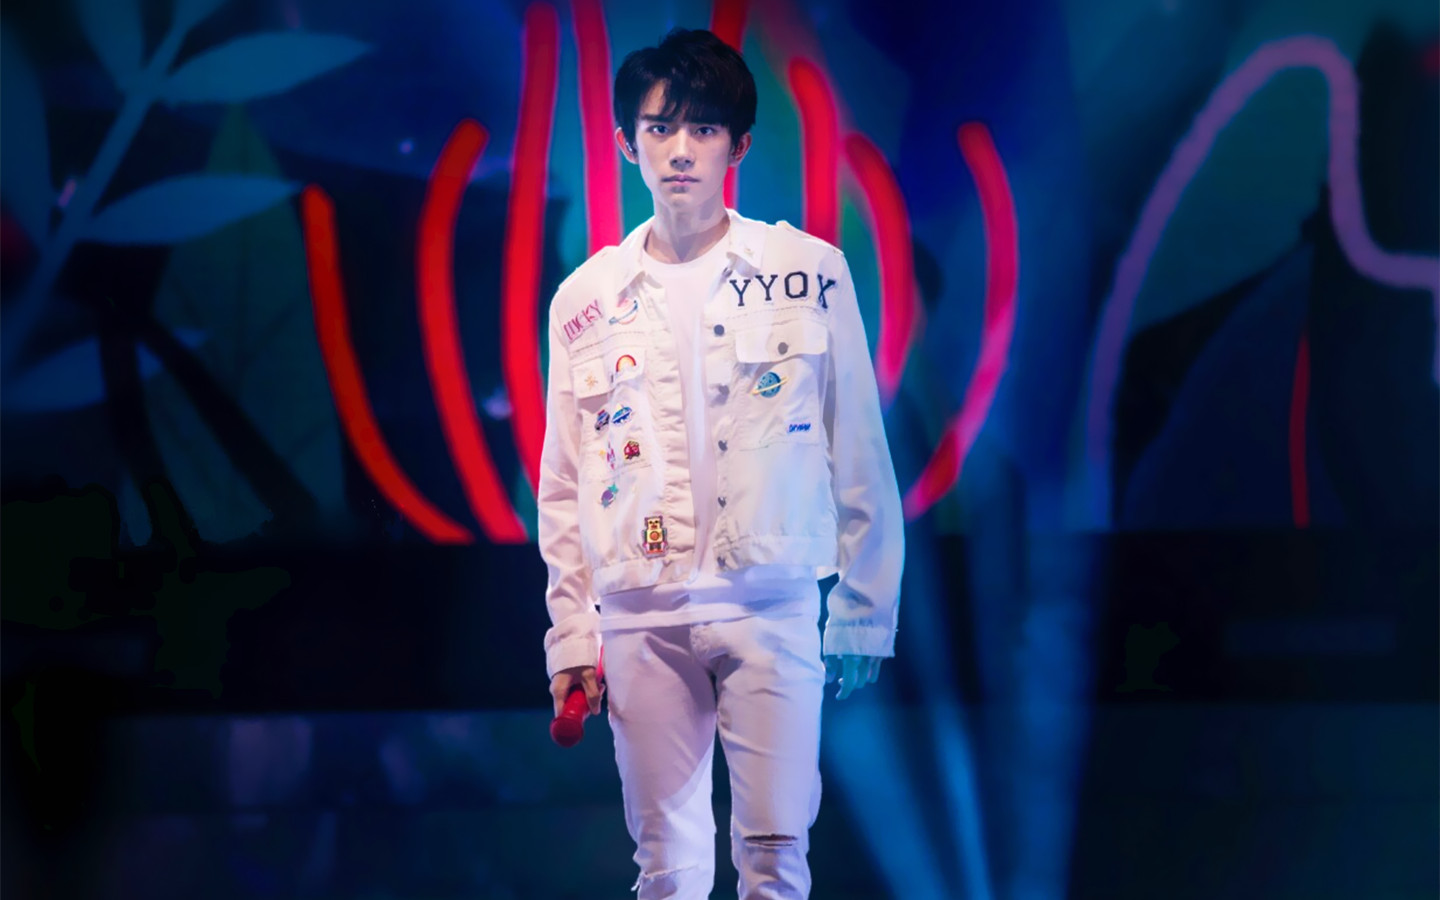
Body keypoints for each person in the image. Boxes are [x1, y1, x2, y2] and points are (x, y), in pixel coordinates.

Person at [537, 27, 904, 899]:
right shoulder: (585, 299)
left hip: (770, 603)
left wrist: (864, 607)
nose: (680, 150)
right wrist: (571, 634)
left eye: (703, 129)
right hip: (640, 615)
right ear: (625, 143)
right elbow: (563, 483)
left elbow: (858, 441)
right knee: (666, 870)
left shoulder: (806, 271)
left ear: (737, 146)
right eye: (660, 128)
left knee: (775, 858)